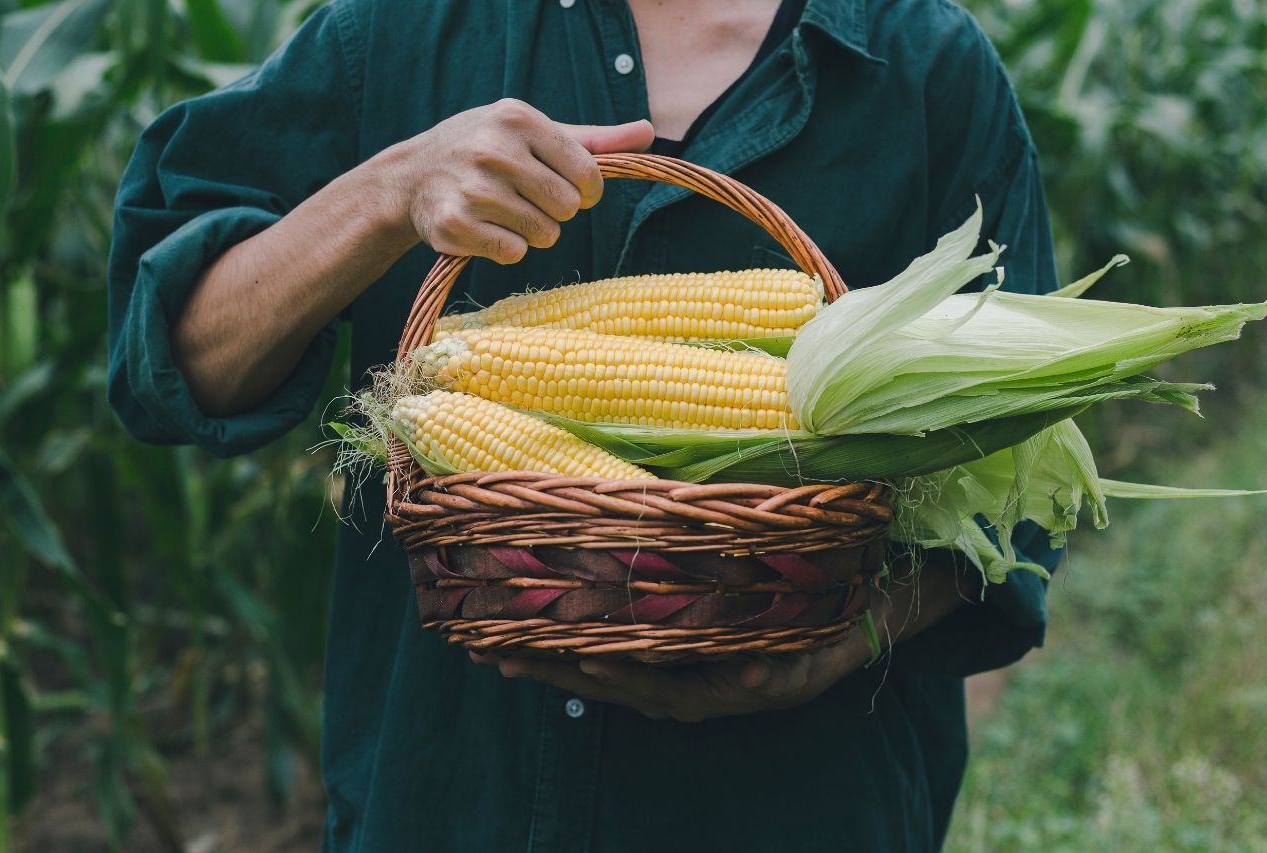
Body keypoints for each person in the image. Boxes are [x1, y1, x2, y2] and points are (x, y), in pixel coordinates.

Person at [108, 0, 1063, 849]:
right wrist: (389, 190)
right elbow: (176, 364)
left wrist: (841, 643)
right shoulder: (392, 31)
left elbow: (1024, 488)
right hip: (453, 796)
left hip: (801, 803)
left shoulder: (929, 66)